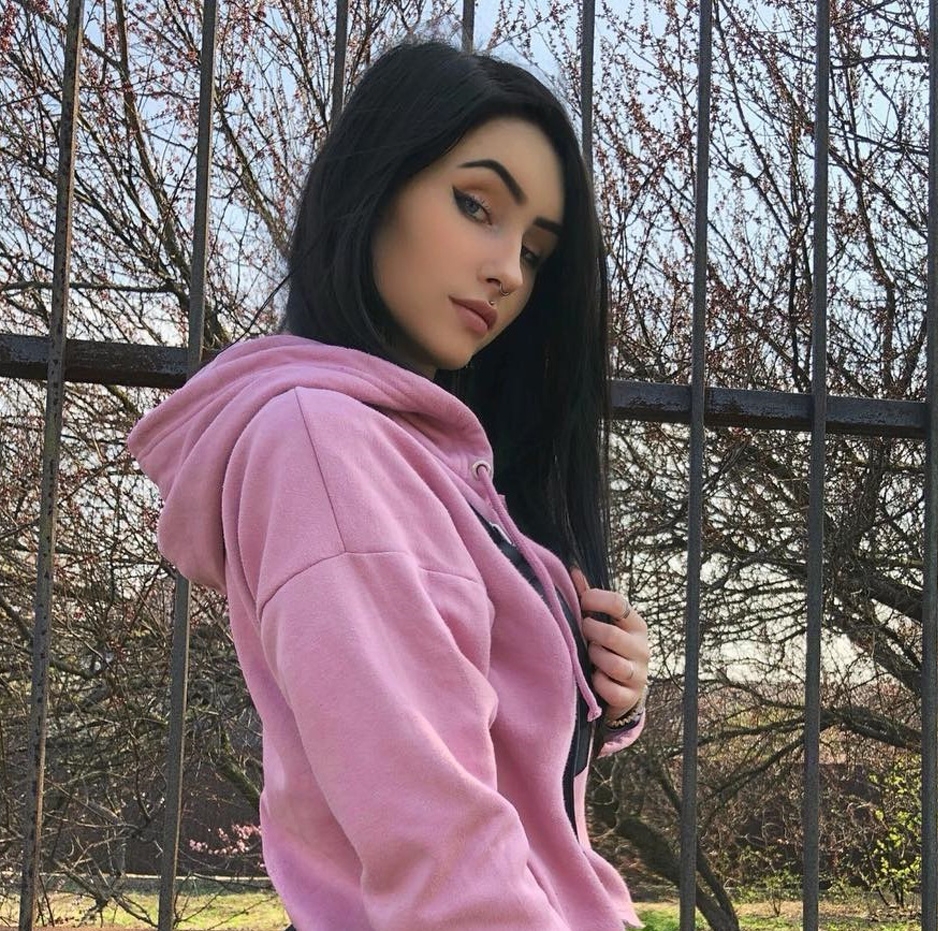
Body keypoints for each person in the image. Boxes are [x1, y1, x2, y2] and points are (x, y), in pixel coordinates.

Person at [128, 39, 649, 931]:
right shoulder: (324, 446)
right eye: (476, 205)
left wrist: (600, 681)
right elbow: (439, 853)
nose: (509, 270)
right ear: (374, 188)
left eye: (536, 250)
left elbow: (480, 760)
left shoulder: (430, 456)